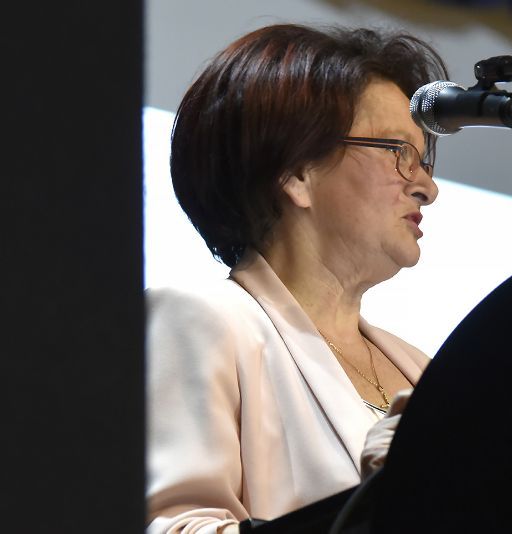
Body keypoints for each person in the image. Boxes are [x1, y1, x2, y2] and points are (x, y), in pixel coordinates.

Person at [145, 23, 448, 533]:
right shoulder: (202, 320)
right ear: (297, 173)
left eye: (424, 160)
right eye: (397, 151)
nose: (426, 187)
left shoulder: (420, 367)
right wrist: (374, 508)